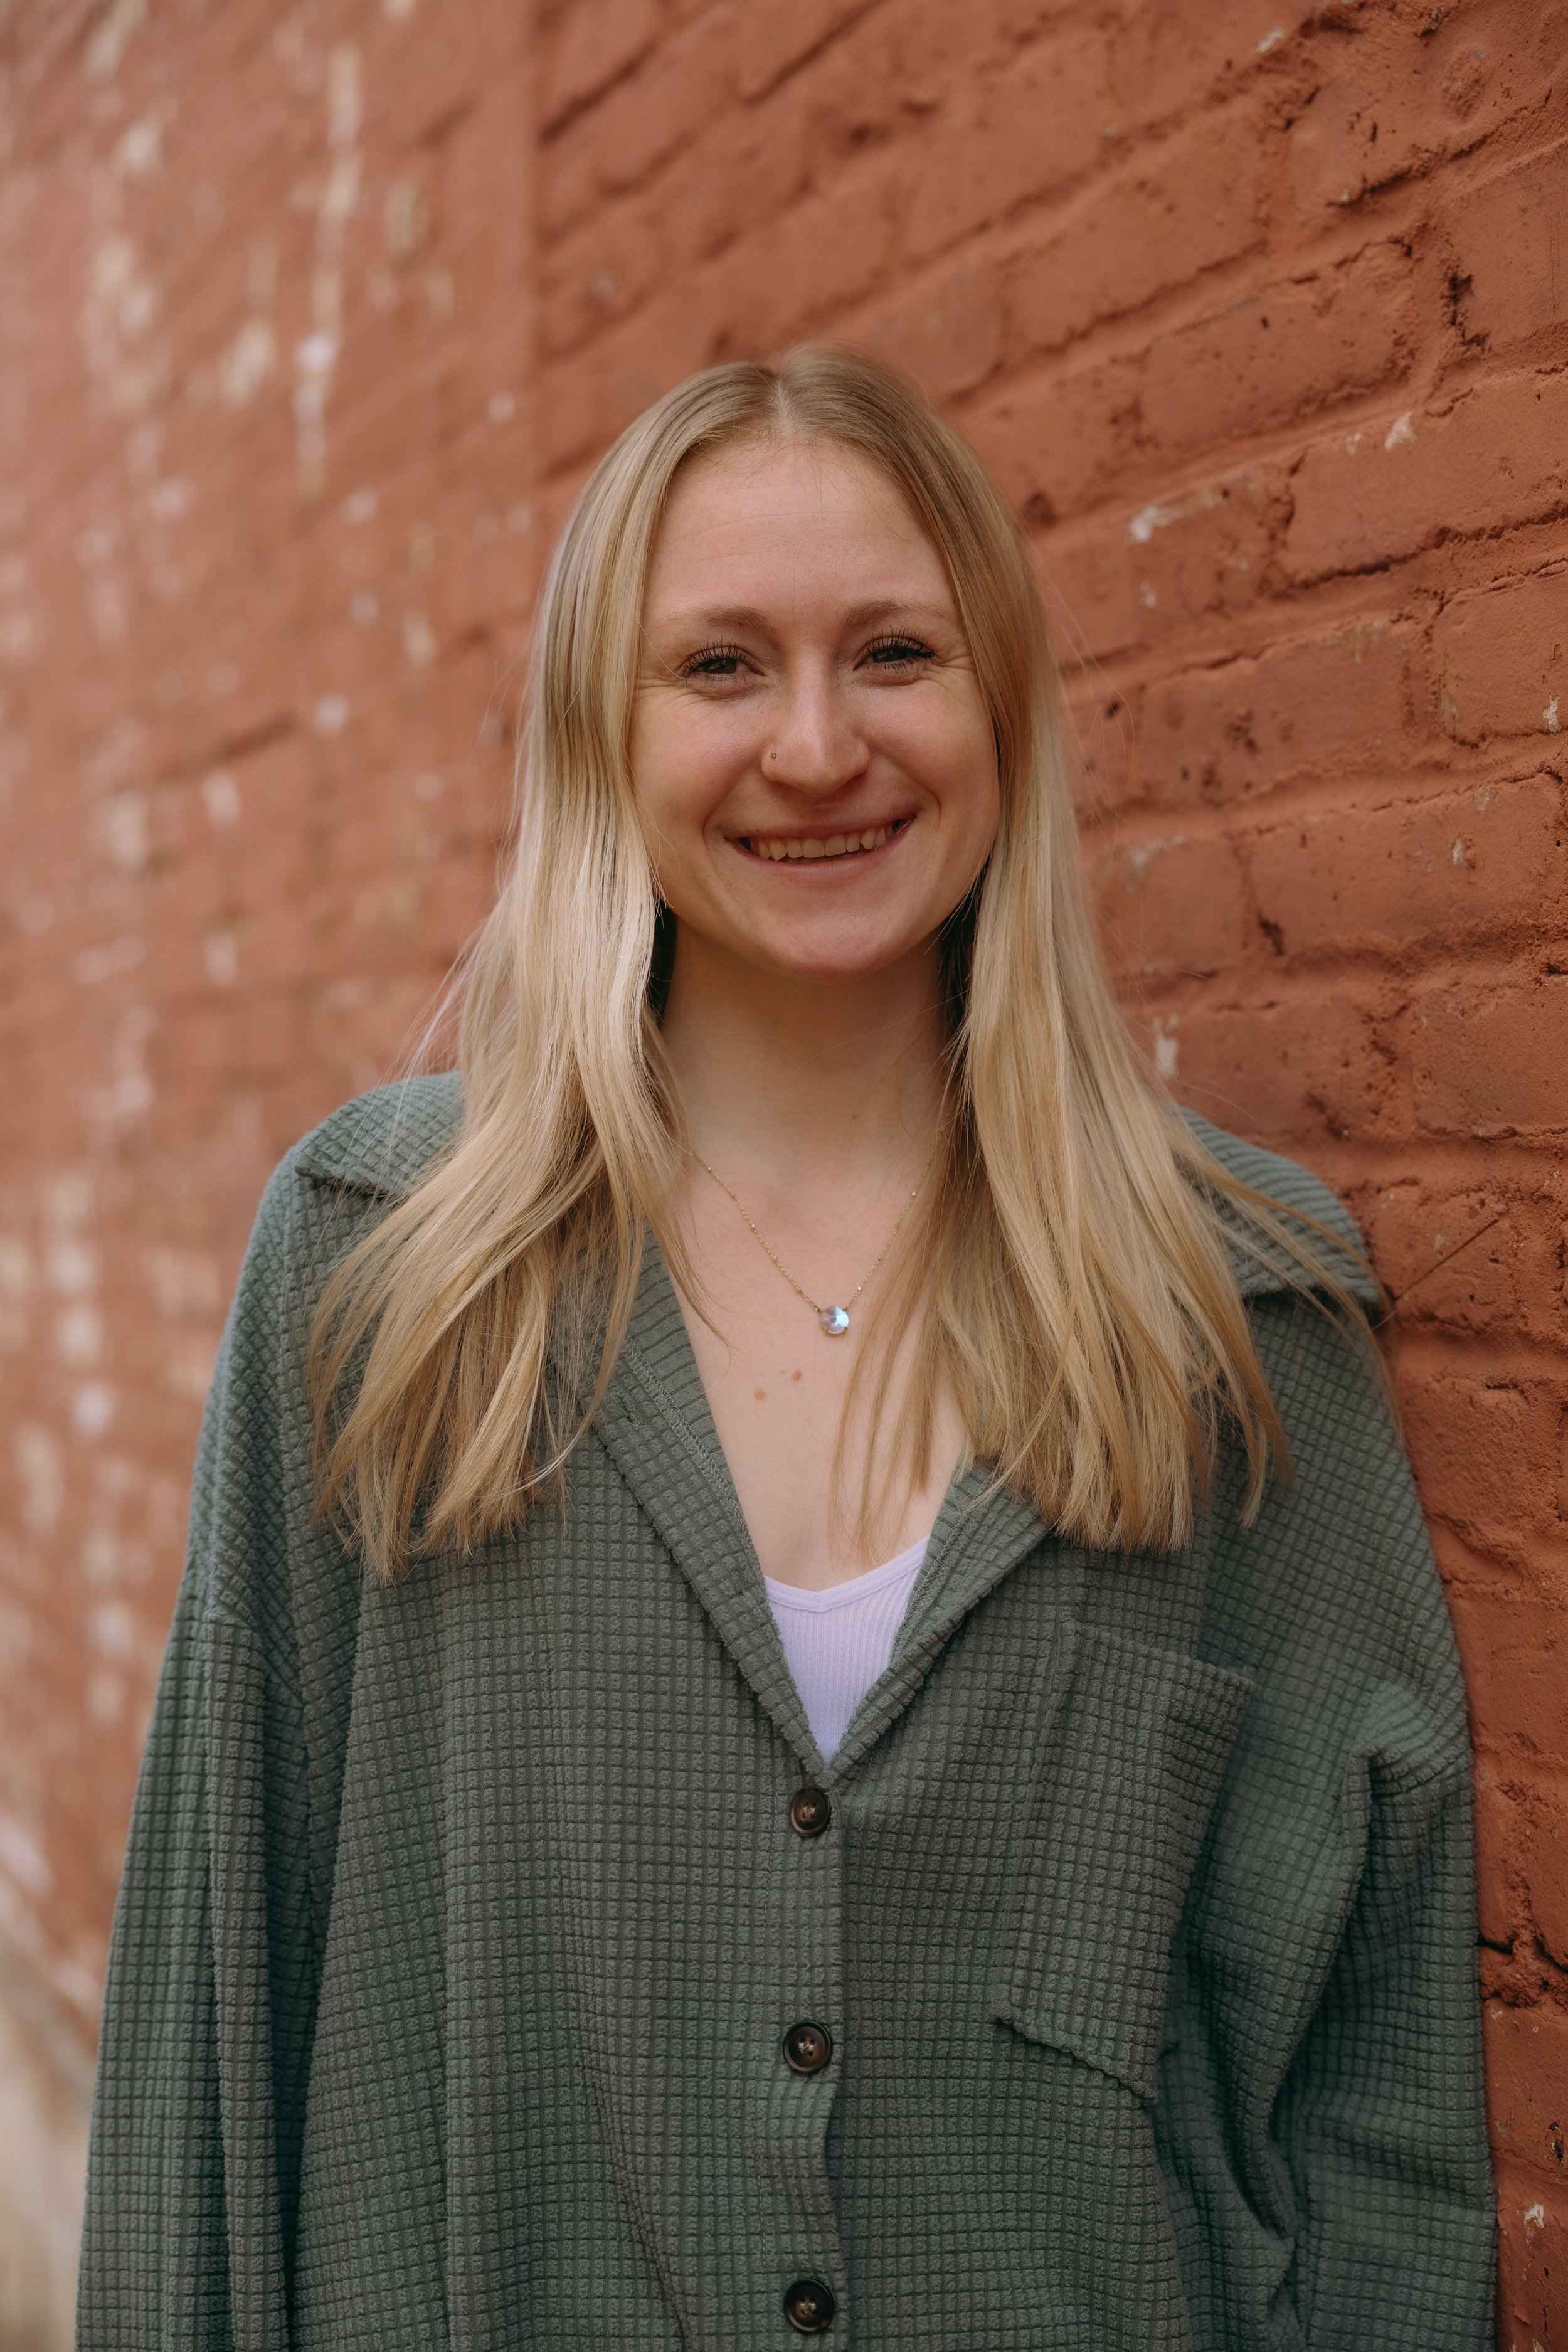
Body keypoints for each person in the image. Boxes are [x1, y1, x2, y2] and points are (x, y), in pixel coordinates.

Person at [77, 347, 1495, 2349]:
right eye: (721, 667)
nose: (816, 747)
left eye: (893, 652)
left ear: (1000, 704)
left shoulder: (1229, 1315)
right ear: (600, 733)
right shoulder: (384, 1281)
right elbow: (213, 2041)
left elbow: (1373, 2112)